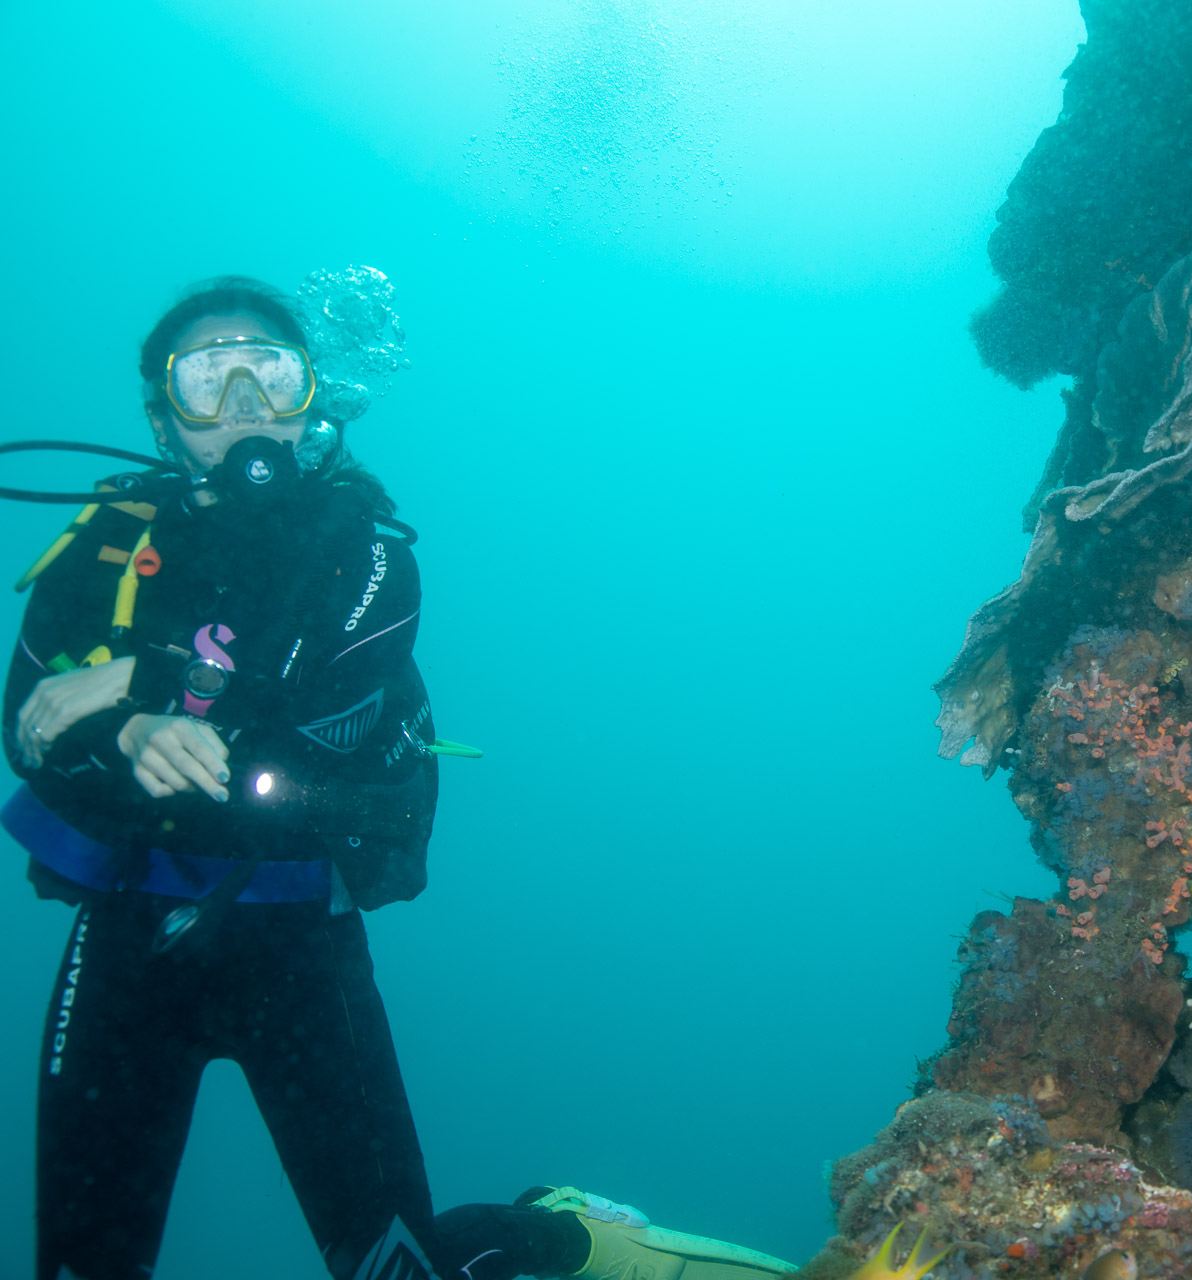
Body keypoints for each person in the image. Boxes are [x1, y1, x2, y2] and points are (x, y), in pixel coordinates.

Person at [5, 278, 794, 1280]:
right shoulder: (105, 543)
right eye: (208, 375)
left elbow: (303, 688)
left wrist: (147, 681)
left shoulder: (361, 548)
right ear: (163, 415)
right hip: (124, 940)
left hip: (298, 944)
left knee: (401, 1269)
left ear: (308, 396)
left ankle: (567, 1235)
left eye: (271, 369)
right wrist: (126, 732)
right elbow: (27, 728)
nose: (243, 397)